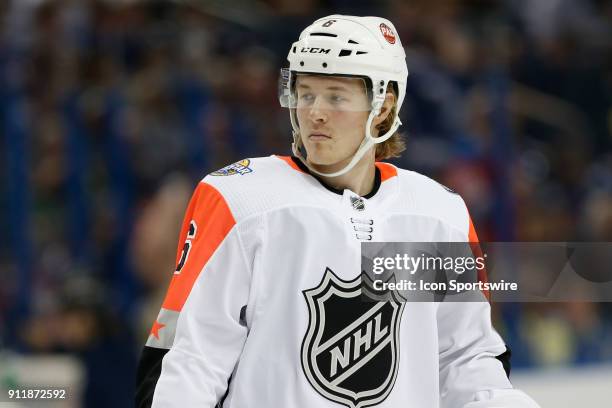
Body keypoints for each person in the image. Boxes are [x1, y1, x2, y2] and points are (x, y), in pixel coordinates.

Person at [135, 15, 540, 408]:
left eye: (335, 96)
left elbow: (465, 361)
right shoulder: (241, 200)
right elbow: (190, 360)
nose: (315, 111)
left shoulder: (436, 215)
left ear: (383, 106)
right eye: (306, 93)